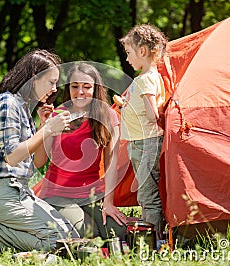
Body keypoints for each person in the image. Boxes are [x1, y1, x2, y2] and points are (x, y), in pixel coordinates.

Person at [0, 49, 79, 252]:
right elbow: (12, 156)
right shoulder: (7, 103)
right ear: (34, 78)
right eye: (51, 82)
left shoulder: (24, 108)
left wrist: (45, 128)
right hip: (0, 190)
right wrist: (48, 130)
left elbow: (37, 162)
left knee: (71, 237)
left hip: (20, 190)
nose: (54, 89)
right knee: (62, 243)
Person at [34, 62, 128, 242]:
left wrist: (108, 203)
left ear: (96, 88)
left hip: (91, 195)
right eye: (75, 86)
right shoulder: (57, 115)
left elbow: (111, 162)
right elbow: (39, 162)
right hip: (57, 195)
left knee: (119, 232)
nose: (80, 92)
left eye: (87, 87)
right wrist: (44, 128)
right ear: (68, 88)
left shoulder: (108, 115)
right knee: (88, 232)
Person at [118, 24, 168, 242]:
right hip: (142, 142)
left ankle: (153, 240)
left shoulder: (145, 78)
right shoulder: (152, 77)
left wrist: (130, 108)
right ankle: (153, 234)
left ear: (142, 52)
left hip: (146, 143)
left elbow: (150, 113)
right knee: (146, 191)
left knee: (147, 195)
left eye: (129, 53)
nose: (128, 59)